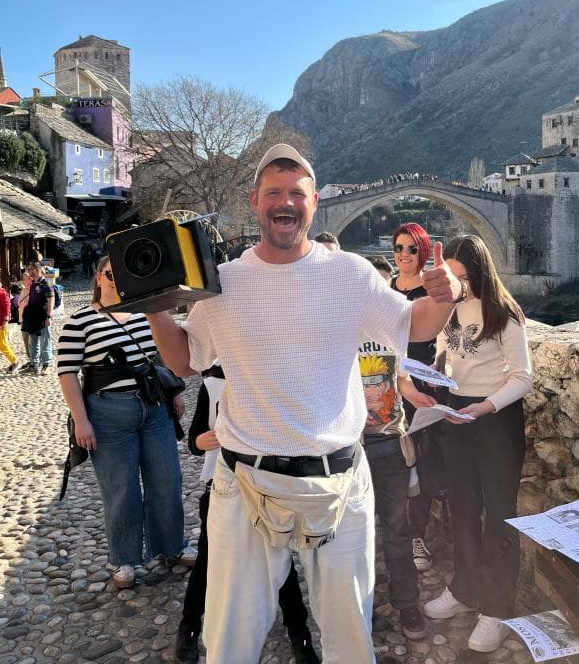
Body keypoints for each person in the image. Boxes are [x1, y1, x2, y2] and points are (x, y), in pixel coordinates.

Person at [146, 143, 463, 664]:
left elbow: (415, 326)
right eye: (273, 192)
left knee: (350, 639)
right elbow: (183, 360)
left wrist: (445, 298)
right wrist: (155, 306)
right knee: (229, 642)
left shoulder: (351, 274)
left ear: (314, 202)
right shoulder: (222, 282)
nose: (285, 202)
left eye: (296, 193)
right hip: (243, 482)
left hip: (337, 482)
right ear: (254, 200)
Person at [57, 255, 196, 590]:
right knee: (122, 489)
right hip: (108, 413)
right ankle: (124, 558)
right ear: (98, 278)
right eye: (110, 274)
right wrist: (81, 420)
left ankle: (172, 546)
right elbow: (67, 373)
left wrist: (175, 391)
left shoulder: (145, 313)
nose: (117, 280)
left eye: (123, 274)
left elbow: (161, 355)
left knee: (167, 480)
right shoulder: (79, 321)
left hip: (154, 407)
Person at [422, 234, 533, 653]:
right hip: (457, 412)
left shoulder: (504, 312)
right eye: (451, 277)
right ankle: (465, 589)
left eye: (463, 277)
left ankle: (497, 609)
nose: (457, 285)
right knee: (463, 507)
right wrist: (434, 378)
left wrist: (484, 408)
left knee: (500, 514)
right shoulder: (448, 308)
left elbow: (523, 378)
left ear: (480, 273)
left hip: (496, 419)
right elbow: (447, 357)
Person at [176, 361, 319, 664]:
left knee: (282, 563)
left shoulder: (277, 379)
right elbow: (194, 441)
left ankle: (300, 633)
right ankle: (189, 627)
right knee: (207, 561)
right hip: (222, 486)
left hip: (270, 486)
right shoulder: (213, 382)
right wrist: (203, 440)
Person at [358, 256, 433, 641]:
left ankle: (407, 605)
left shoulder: (392, 329)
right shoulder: (337, 329)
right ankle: (361, 610)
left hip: (390, 443)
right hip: (351, 451)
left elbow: (400, 378)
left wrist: (416, 395)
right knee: (355, 537)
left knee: (397, 531)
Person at [390, 223, 442, 572]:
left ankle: (416, 536)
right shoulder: (385, 290)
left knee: (421, 463)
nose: (404, 254)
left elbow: (448, 336)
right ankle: (394, 531)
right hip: (391, 387)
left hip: (424, 385)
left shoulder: (433, 289)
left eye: (411, 248)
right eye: (398, 248)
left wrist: (437, 369)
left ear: (422, 251)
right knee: (395, 461)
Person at [20, 262, 54, 374]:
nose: (30, 272)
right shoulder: (33, 284)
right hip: (32, 317)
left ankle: (46, 364)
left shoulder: (46, 283)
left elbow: (51, 300)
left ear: (38, 270)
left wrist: (49, 316)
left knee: (45, 340)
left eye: (32, 269)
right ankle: (34, 364)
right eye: (29, 270)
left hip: (43, 316)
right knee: (32, 341)